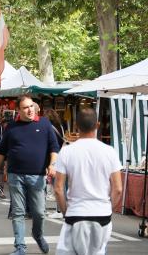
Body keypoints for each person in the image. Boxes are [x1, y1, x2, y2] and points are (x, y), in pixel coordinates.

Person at [0, 95, 59, 255]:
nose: (30, 110)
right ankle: (20, 247)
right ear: (18, 110)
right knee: (18, 212)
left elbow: (54, 147)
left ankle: (38, 234)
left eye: (31, 106)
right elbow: (1, 152)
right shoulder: (11, 127)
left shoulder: (44, 123)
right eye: (26, 107)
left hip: (37, 176)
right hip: (15, 175)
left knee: (39, 213)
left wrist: (52, 164)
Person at [54, 108, 122, 255]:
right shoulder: (110, 151)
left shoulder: (66, 151)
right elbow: (118, 189)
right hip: (102, 214)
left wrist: (66, 211)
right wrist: (108, 208)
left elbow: (58, 188)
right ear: (97, 125)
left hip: (76, 213)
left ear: (77, 126)